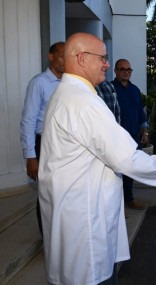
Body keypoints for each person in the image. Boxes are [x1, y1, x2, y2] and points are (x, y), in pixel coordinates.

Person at [38, 32, 156, 285]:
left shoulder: (66, 94)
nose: (106, 64)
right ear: (81, 58)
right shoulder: (84, 102)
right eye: (102, 58)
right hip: (85, 225)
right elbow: (126, 158)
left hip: (73, 216)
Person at [19, 41, 65, 235]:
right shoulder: (39, 83)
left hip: (65, 145)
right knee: (47, 194)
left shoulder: (70, 83)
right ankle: (48, 239)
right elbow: (28, 121)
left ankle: (62, 237)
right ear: (51, 56)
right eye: (62, 55)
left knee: (64, 192)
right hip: (44, 144)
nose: (65, 60)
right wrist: (31, 156)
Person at [112, 59, 148, 212]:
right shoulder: (110, 89)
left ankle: (129, 199)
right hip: (116, 137)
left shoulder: (135, 90)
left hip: (133, 136)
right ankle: (117, 205)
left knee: (130, 169)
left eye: (128, 69)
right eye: (122, 69)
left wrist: (144, 132)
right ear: (115, 71)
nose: (126, 72)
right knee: (116, 171)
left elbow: (140, 111)